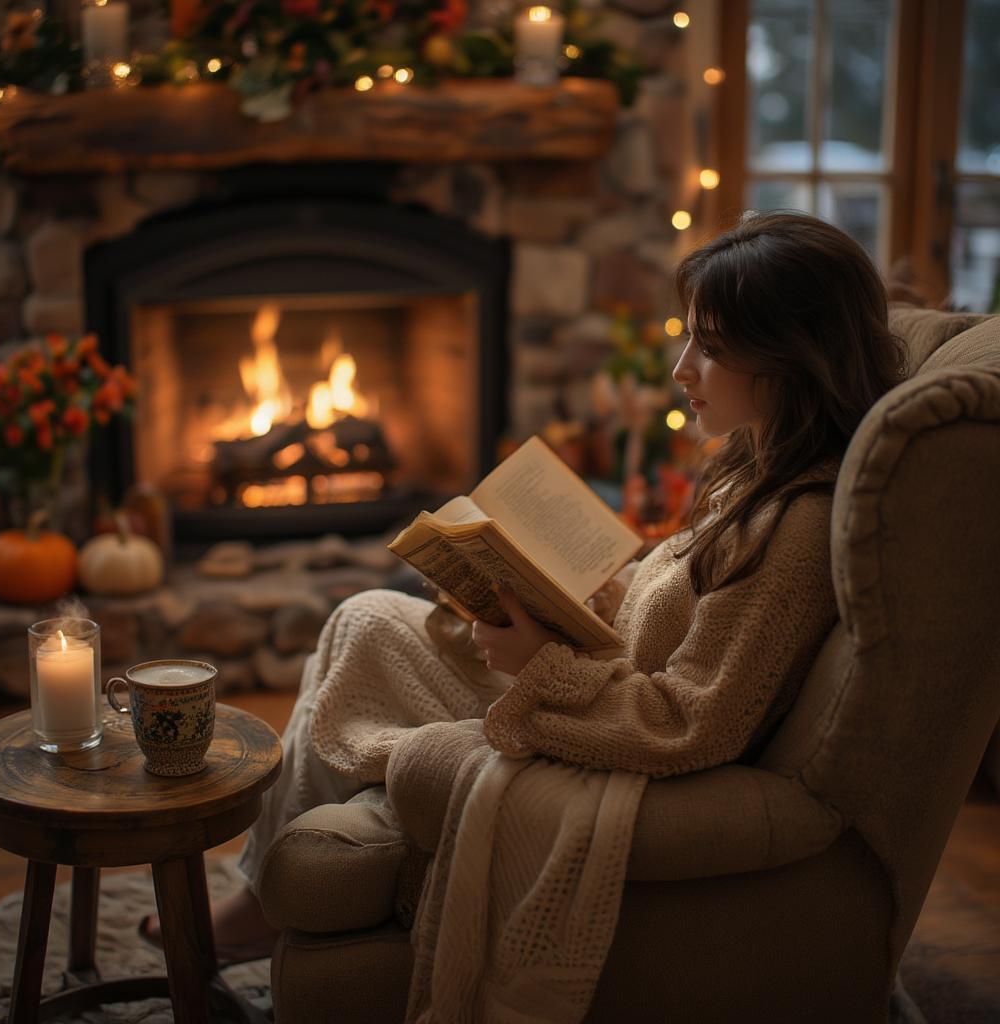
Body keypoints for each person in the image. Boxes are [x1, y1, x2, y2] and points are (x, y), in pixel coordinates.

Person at [141, 210, 907, 961]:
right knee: (359, 620)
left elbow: (692, 726)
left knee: (368, 621)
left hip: (593, 718)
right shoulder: (754, 470)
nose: (682, 371)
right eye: (687, 340)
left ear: (790, 356)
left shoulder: (797, 529)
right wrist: (577, 590)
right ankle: (270, 893)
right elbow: (680, 601)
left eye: (710, 348)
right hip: (590, 672)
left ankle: (262, 903)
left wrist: (541, 661)